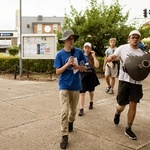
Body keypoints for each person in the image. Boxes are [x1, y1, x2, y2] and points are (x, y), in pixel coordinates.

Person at [107, 30, 144, 140]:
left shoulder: (142, 53)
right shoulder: (122, 48)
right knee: (121, 105)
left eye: (137, 37)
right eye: (133, 37)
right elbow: (113, 56)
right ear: (129, 38)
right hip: (124, 81)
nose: (135, 39)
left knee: (133, 104)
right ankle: (117, 112)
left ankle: (128, 128)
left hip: (137, 82)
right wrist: (110, 58)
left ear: (139, 39)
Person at [53, 30, 87, 149]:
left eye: (72, 38)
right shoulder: (59, 54)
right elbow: (57, 72)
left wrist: (76, 66)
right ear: (64, 41)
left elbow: (85, 68)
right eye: (68, 38)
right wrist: (67, 65)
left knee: (73, 112)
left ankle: (71, 122)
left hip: (76, 86)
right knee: (64, 111)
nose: (71, 40)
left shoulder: (79, 52)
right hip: (64, 86)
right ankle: (64, 135)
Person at [78, 42, 100, 116]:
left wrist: (94, 56)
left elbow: (97, 65)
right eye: (86, 47)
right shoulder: (80, 56)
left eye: (89, 48)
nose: (87, 49)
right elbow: (77, 66)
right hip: (83, 76)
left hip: (91, 76)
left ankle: (91, 102)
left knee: (91, 91)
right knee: (82, 93)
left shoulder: (91, 57)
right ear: (83, 48)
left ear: (91, 49)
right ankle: (81, 109)